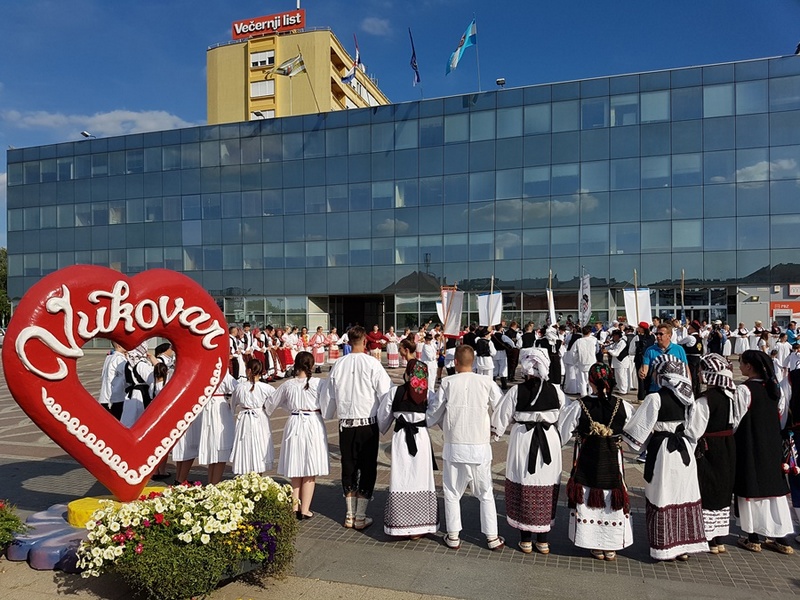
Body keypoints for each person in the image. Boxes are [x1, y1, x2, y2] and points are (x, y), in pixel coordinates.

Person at [623, 355, 708, 561]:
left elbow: (639, 429)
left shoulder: (655, 398)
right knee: (683, 493)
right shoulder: (688, 398)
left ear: (661, 375)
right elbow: (693, 429)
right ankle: (683, 546)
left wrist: (632, 442)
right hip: (684, 449)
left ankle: (666, 546)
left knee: (662, 493)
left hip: (663, 450)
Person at [428, 345, 504, 551]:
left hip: (455, 445)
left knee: (452, 492)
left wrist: (425, 421)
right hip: (479, 446)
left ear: (455, 362)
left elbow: (434, 411)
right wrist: (495, 430)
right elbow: (501, 408)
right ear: (474, 361)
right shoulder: (486, 382)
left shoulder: (448, 382)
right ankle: (492, 537)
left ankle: (453, 536)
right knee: (485, 493)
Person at [558, 363, 635, 560]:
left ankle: (592, 542)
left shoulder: (579, 405)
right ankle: (611, 545)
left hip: (587, 459)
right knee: (611, 496)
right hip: (613, 459)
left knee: (588, 494)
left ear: (590, 381)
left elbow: (563, 433)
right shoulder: (623, 406)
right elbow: (635, 435)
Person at [492, 349, 565, 554]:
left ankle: (525, 539)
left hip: (524, 438)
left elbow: (501, 416)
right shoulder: (556, 391)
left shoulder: (516, 391)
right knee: (546, 482)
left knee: (523, 481)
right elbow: (565, 417)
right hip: (549, 439)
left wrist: (495, 433)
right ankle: (543, 540)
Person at [321, 326, 392, 530]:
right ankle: (360, 515)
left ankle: (349, 514)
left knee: (349, 466)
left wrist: (328, 413)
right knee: (367, 467)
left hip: (346, 423)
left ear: (349, 341)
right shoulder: (372, 363)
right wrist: (385, 421)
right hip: (367, 423)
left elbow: (329, 394)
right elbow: (386, 394)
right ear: (365, 341)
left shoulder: (339, 363)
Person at [732, 350, 794, 554]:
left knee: (751, 486)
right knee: (774, 490)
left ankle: (753, 538)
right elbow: (781, 416)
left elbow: (736, 420)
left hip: (750, 443)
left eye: (741, 363)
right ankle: (781, 539)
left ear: (749, 366)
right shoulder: (775, 389)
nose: (740, 366)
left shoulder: (744, 390)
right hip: (772, 444)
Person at [377, 339, 438, 538]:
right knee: (421, 477)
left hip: (401, 438)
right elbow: (435, 414)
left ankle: (401, 524)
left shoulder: (395, 392)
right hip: (421, 437)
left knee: (402, 476)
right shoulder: (428, 394)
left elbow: (383, 417)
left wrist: (385, 426)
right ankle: (420, 526)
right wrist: (425, 421)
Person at [268, 351, 328, 520]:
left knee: (295, 465)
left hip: (294, 422)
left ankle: (295, 506)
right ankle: (305, 509)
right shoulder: (319, 383)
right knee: (310, 467)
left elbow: (271, 403)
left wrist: (292, 408)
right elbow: (327, 403)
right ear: (311, 365)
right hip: (313, 422)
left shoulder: (288, 384)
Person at [693, 354, 737, 555]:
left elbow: (694, 429)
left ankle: (709, 537)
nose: (699, 374)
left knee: (708, 487)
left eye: (701, 370)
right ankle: (719, 538)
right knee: (722, 487)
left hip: (709, 447)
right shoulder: (730, 397)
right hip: (727, 446)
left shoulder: (705, 400)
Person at [198, 370, 239, 485]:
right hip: (219, 408)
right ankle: (214, 483)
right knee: (221, 446)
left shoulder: (204, 372)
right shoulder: (222, 373)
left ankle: (211, 482)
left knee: (212, 446)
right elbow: (237, 388)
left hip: (208, 406)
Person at [639, 322, 688, 394]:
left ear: (669, 336)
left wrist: (688, 386)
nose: (658, 336)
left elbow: (686, 368)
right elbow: (645, 367)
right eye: (657, 334)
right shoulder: (650, 350)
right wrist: (642, 372)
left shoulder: (679, 349)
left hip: (674, 390)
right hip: (655, 389)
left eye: (661, 334)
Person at [120, 342, 158, 427]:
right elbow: (152, 380)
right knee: (140, 420)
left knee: (129, 419)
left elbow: (124, 382)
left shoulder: (127, 364)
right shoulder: (141, 364)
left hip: (131, 395)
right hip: (141, 395)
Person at [98, 342, 127, 421]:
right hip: (116, 397)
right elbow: (127, 374)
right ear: (119, 345)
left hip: (105, 397)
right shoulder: (119, 359)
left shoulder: (109, 357)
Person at [571, 325, 598, 397]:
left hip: (582, 362)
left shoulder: (578, 341)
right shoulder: (594, 340)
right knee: (591, 380)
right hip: (592, 361)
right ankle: (591, 394)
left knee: (582, 380)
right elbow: (598, 351)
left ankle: (583, 395)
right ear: (590, 332)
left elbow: (573, 352)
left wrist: (575, 361)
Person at [605, 329, 631, 395]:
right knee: (618, 376)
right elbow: (611, 348)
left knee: (622, 376)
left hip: (622, 362)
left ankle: (623, 390)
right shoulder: (617, 342)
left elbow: (616, 353)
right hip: (617, 362)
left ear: (617, 336)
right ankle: (620, 389)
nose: (613, 338)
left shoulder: (622, 342)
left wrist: (608, 351)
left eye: (613, 336)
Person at [634, 321, 656, 401]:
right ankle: (648, 395)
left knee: (641, 378)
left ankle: (641, 397)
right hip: (650, 358)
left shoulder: (637, 337)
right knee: (649, 377)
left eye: (639, 327)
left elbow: (632, 350)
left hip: (640, 359)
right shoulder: (652, 336)